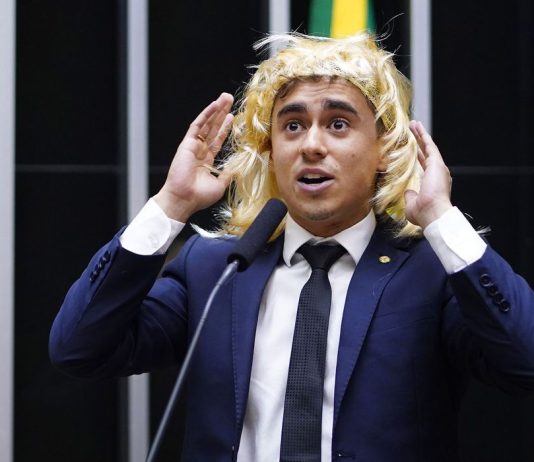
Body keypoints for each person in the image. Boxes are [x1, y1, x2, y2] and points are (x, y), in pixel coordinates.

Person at [49, 33, 534, 461]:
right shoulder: (215, 269)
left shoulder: (432, 274)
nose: (311, 146)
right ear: (271, 150)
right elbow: (79, 348)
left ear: (385, 148)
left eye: (338, 124)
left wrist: (442, 220)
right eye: (293, 126)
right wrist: (171, 205)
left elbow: (524, 361)